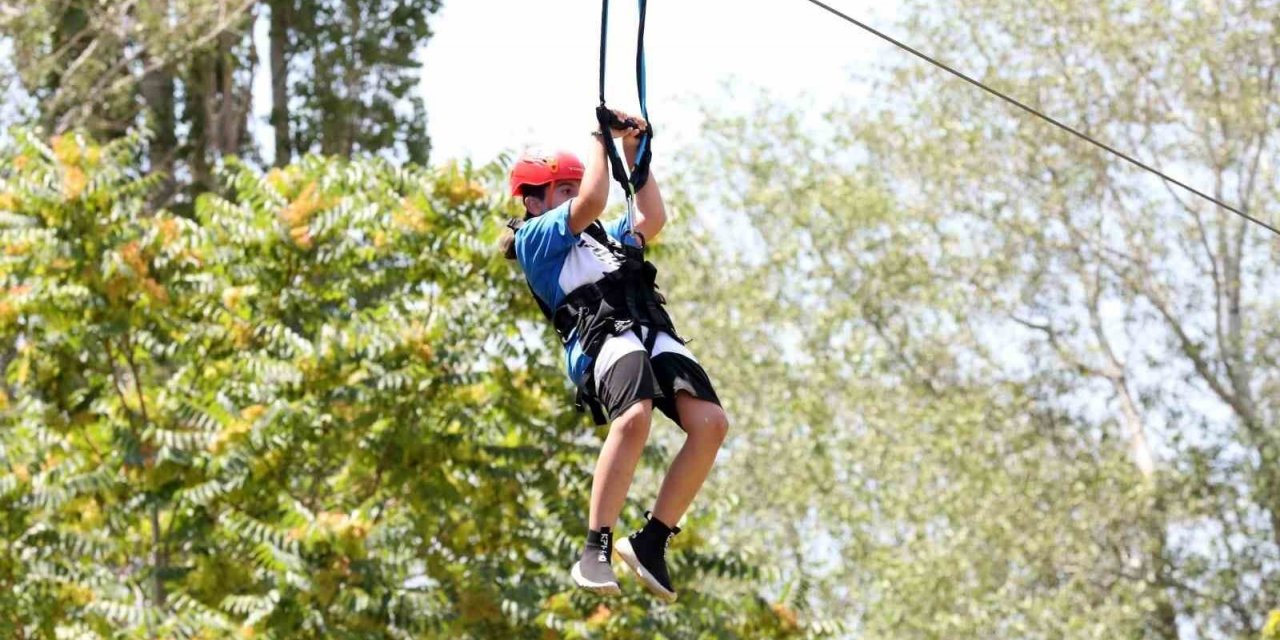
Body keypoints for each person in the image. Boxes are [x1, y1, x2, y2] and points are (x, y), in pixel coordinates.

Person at [500, 111, 729, 603]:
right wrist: (600, 139)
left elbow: (651, 218)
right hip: (603, 337)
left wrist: (635, 152)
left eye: (571, 188)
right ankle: (595, 546)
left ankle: (652, 542)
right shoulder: (536, 240)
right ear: (533, 200)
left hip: (650, 332)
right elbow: (594, 200)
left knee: (711, 423)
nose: (570, 197)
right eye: (560, 190)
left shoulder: (603, 238)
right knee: (633, 420)